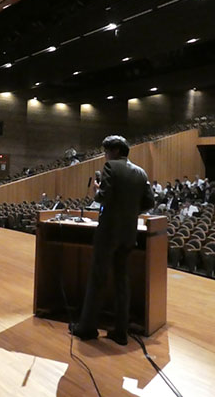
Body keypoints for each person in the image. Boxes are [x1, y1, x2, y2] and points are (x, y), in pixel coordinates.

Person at [69, 135, 153, 346]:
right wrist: (130, 213)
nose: (105, 156)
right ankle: (121, 332)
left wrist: (97, 191)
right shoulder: (141, 172)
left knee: (97, 279)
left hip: (108, 233)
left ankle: (87, 328)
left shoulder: (111, 167)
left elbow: (103, 197)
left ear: (115, 151)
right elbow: (149, 202)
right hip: (128, 234)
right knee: (122, 280)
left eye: (106, 151)